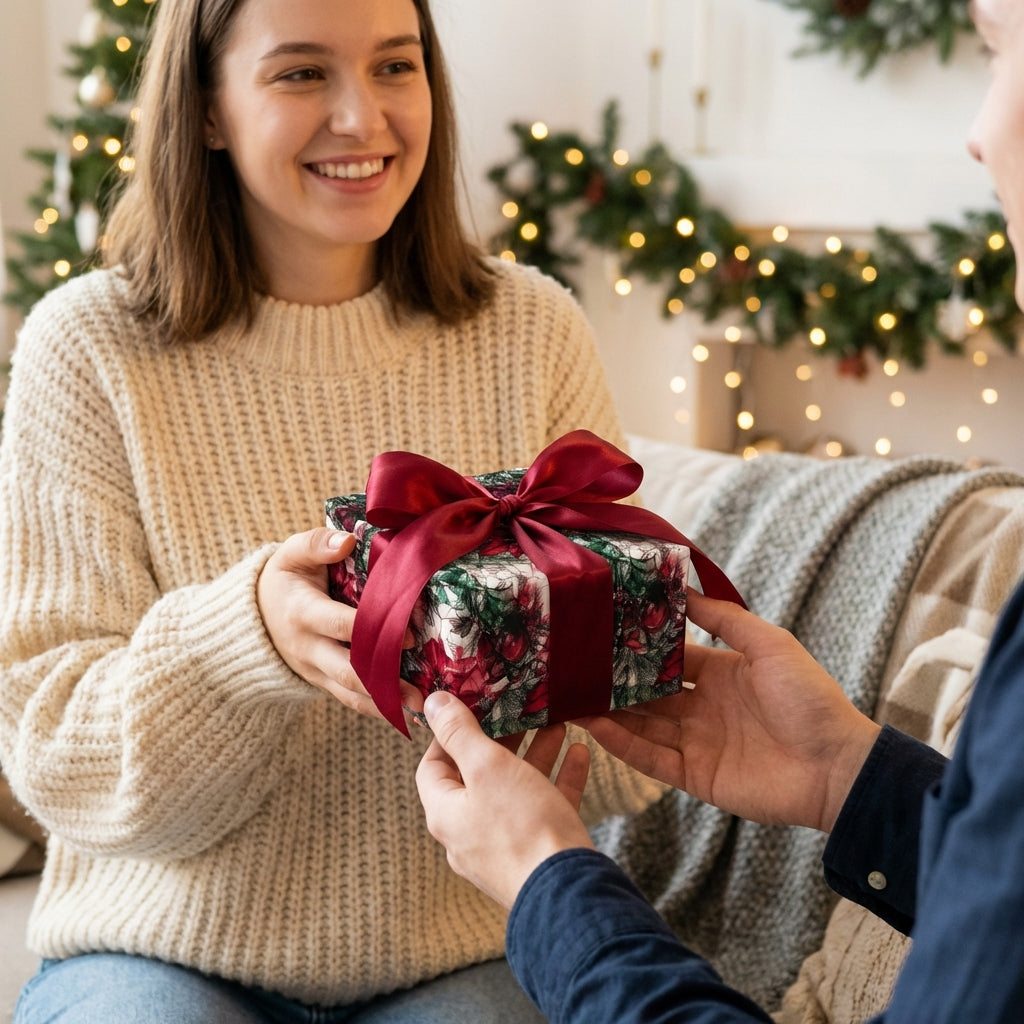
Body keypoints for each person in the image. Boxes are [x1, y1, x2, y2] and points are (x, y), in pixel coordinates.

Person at [0, 1, 667, 1021]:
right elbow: (54, 756)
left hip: (462, 949)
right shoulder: (87, 348)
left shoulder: (529, 331)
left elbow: (626, 767)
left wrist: (566, 656)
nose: (363, 118)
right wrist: (246, 641)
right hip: (156, 952)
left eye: (395, 66)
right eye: (301, 74)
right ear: (209, 108)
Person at [414, 1, 1024, 1020]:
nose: (976, 129)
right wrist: (848, 775)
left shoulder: (529, 321)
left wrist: (549, 880)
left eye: (999, 49)